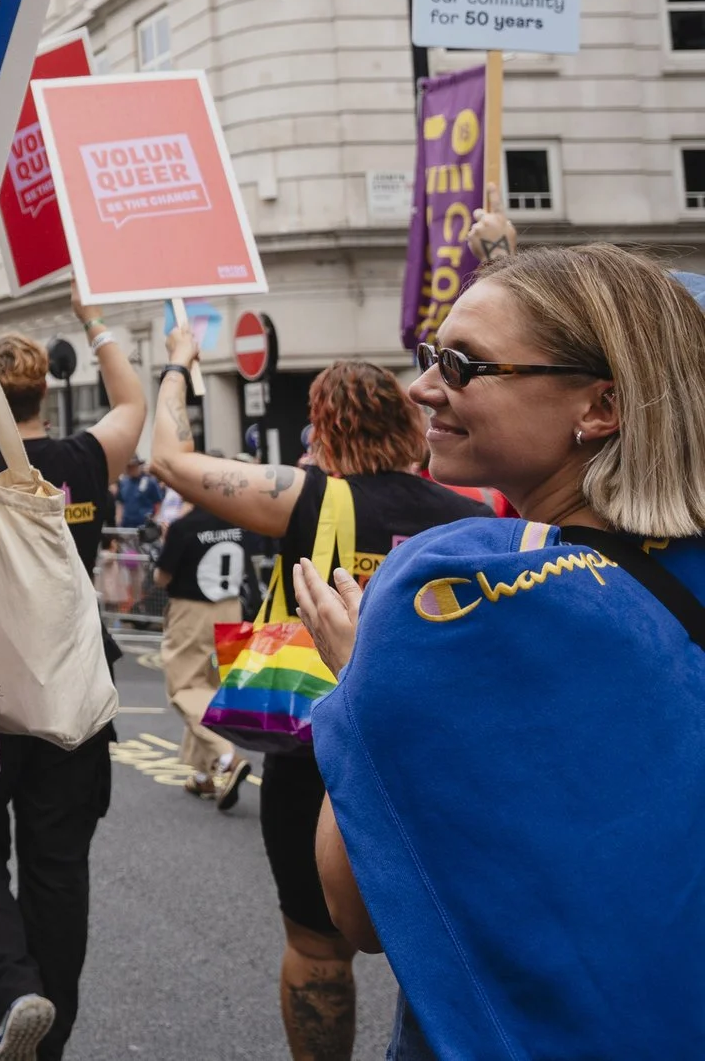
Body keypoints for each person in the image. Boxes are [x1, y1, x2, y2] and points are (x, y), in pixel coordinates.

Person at [298, 244, 705, 1059]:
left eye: (464, 363)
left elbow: (358, 914)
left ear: (600, 406)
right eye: (430, 356)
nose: (421, 386)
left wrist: (362, 682)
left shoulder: (450, 591)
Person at [149, 332, 485, 1061]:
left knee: (315, 942)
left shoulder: (306, 498)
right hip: (438, 756)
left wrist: (177, 365)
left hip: (314, 750)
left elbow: (169, 461)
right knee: (441, 940)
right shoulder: (474, 517)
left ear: (324, 428)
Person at [0, 294, 147, 1061]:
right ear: (43, 392)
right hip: (73, 684)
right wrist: (95, 323)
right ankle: (51, 1034)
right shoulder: (84, 461)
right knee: (59, 866)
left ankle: (12, 990)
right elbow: (134, 402)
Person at [152, 506, 248, 804]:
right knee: (210, 688)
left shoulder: (185, 526)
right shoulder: (238, 518)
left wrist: (167, 543)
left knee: (185, 688)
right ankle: (204, 774)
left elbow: (161, 578)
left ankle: (225, 755)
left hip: (193, 612)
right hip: (231, 609)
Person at [114, 458, 162, 529]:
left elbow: (158, 503)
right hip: (126, 524)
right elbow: (120, 503)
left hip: (144, 524)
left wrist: (154, 520)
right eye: (128, 467)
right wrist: (118, 520)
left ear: (138, 466)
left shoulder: (150, 482)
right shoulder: (123, 482)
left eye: (132, 466)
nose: (130, 469)